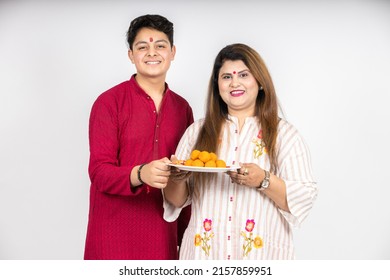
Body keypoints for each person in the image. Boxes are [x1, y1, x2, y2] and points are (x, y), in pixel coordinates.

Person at [163, 43, 318, 260]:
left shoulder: (285, 135)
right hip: (204, 258)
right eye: (226, 77)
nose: (234, 82)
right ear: (217, 85)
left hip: (261, 258)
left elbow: (303, 197)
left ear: (260, 82)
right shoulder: (197, 132)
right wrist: (176, 179)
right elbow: (175, 201)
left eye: (243, 75)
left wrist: (263, 180)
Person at [84, 14, 193, 260]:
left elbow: (187, 176)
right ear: (131, 55)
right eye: (142, 47)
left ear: (172, 52)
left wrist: (186, 238)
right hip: (113, 234)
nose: (151, 53)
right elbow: (99, 172)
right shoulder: (109, 103)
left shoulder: (182, 108)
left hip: (163, 234)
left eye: (160, 46)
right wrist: (140, 173)